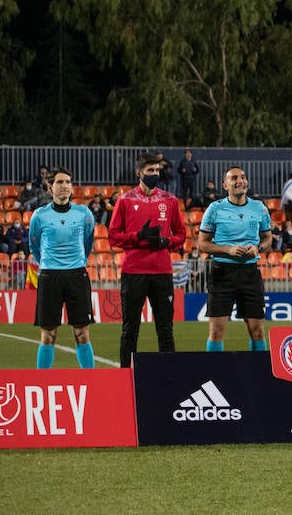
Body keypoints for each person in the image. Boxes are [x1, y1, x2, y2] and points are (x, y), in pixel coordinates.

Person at [109, 152, 187, 367]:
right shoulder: (125, 200)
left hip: (162, 272)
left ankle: (168, 377)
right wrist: (138, 237)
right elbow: (113, 237)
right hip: (133, 272)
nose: (154, 174)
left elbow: (181, 235)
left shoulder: (170, 200)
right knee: (130, 329)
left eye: (157, 171)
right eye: (150, 171)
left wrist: (165, 242)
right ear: (139, 173)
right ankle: (125, 376)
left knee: (165, 329)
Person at [197, 166, 273, 351]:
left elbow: (268, 238)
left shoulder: (259, 207)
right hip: (222, 273)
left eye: (243, 177)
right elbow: (203, 244)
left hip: (250, 273)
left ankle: (257, 376)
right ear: (225, 185)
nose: (240, 181)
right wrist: (228, 250)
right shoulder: (215, 209)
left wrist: (258, 248)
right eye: (234, 178)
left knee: (257, 332)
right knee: (216, 332)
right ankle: (214, 377)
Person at [29, 168, 97, 368]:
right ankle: (43, 383)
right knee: (48, 334)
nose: (64, 186)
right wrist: (49, 263)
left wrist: (75, 262)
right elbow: (34, 245)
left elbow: (88, 242)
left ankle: (91, 382)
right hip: (50, 277)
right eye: (59, 182)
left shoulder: (84, 213)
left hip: (77, 275)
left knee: (82, 333)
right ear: (50, 187)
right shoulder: (39, 216)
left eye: (68, 182)